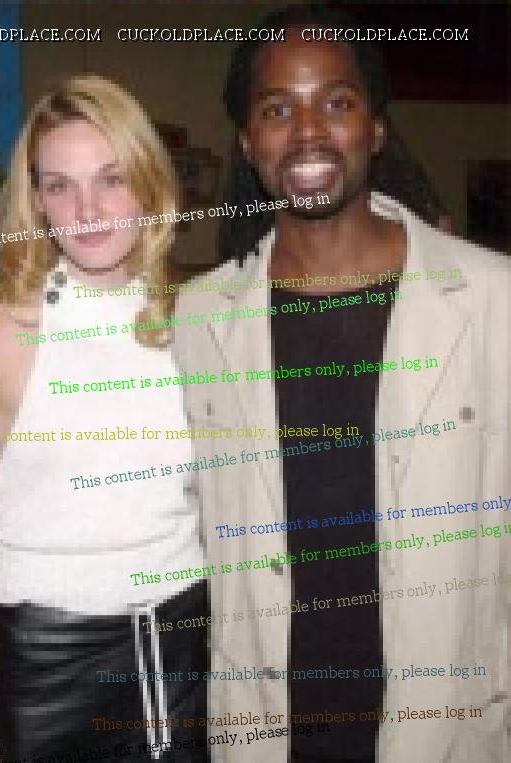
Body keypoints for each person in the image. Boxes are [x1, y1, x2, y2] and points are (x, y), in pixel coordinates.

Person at [173, 4, 509, 762]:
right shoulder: (199, 320)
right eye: (277, 109)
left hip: (448, 727)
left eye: (336, 102)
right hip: (268, 730)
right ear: (248, 141)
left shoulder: (494, 300)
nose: (308, 132)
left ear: (377, 128)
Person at [0, 75, 209, 763]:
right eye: (60, 185)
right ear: (36, 200)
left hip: (185, 650)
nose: (87, 209)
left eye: (111, 179)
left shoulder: (197, 319)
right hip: (44, 665)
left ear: (147, 184)